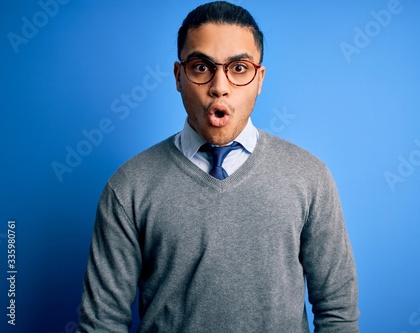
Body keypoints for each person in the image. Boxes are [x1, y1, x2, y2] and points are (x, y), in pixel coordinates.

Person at [77, 1, 359, 332]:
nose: (219, 86)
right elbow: (102, 322)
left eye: (239, 68)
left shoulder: (310, 178)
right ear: (179, 76)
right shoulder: (129, 187)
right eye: (201, 67)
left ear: (259, 79)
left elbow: (337, 310)